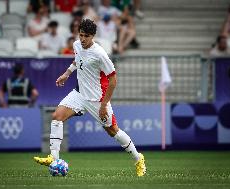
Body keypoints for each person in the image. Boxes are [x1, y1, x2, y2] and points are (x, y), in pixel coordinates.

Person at [33, 19, 146, 177]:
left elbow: (113, 80)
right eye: (81, 35)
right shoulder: (77, 44)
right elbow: (77, 60)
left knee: (113, 131)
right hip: (79, 94)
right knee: (56, 116)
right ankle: (54, 158)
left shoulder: (100, 54)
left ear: (93, 36)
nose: (83, 39)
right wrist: (67, 74)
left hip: (98, 99)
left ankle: (138, 158)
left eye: (86, 36)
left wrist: (103, 105)